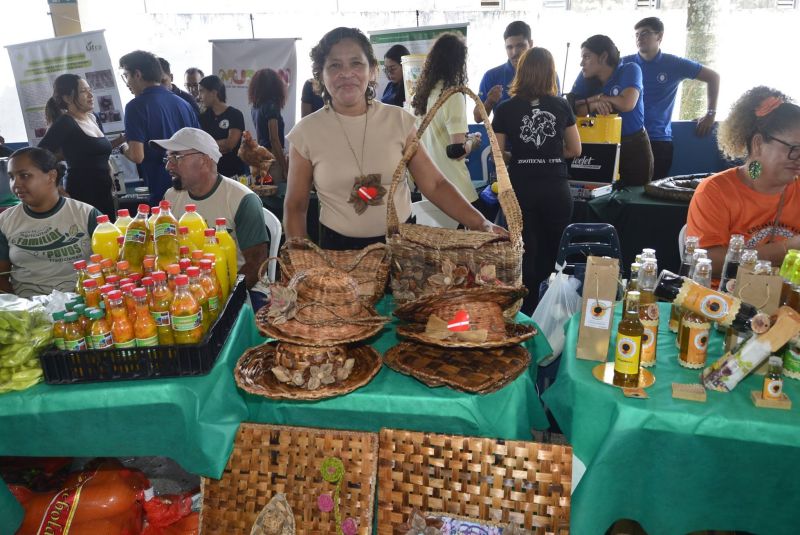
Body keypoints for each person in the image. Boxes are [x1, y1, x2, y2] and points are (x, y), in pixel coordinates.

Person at [284, 27, 504, 251]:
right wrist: (301, 261)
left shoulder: (399, 121)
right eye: (334, 65)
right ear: (321, 74)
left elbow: (435, 184)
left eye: (356, 63)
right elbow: (296, 206)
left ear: (372, 71)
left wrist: (481, 223)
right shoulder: (305, 133)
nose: (346, 73)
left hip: (402, 251)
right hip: (339, 253)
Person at [492, 48, 581, 313]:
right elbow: (576, 149)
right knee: (556, 254)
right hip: (556, 188)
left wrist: (520, 155)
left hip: (522, 188)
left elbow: (499, 154)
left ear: (521, 72)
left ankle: (524, 313)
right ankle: (554, 311)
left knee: (523, 252)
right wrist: (551, 155)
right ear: (550, 72)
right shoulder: (562, 105)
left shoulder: (505, 108)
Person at [687, 87, 800, 274]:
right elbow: (707, 262)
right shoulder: (715, 192)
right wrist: (785, 249)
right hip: (725, 300)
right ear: (758, 144)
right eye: (794, 148)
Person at [155, 128, 269, 290]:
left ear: (203, 159)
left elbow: (257, 265)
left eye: (176, 157)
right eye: (168, 158)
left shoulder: (241, 199)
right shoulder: (170, 198)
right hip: (187, 291)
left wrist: (225, 298)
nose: (168, 166)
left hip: (240, 291)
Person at [623, 17, 721, 179]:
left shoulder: (674, 64)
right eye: (637, 34)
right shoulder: (624, 64)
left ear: (659, 36)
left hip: (658, 140)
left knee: (651, 194)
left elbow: (713, 77)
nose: (640, 38)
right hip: (626, 138)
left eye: (645, 33)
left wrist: (711, 114)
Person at [0, 147, 101, 297]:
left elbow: (109, 265)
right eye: (12, 177)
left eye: (24, 175)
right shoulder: (5, 221)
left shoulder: (86, 214)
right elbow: (1, 276)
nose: (16, 184)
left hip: (84, 304)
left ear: (51, 176)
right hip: (30, 309)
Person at [569, 34, 653, 186]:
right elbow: (575, 109)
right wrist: (594, 103)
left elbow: (627, 103)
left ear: (603, 57)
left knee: (634, 198)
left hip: (633, 145)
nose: (582, 63)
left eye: (586, 57)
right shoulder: (585, 76)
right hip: (599, 144)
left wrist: (601, 99)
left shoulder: (630, 69)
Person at [118, 50, 199, 204]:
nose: (127, 82)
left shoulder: (136, 106)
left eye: (126, 76)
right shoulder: (184, 103)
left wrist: (123, 147)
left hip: (162, 189)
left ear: (137, 74)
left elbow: (137, 155)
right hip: (192, 185)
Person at [411, 33, 480, 208]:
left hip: (429, 189)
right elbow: (456, 151)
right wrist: (473, 141)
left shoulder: (421, 95)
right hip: (455, 189)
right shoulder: (453, 95)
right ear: (458, 62)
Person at [37, 74, 119, 217]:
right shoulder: (65, 123)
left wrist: (109, 171)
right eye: (83, 91)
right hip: (82, 193)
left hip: (105, 192)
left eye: (90, 90)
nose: (90, 95)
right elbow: (37, 157)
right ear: (67, 98)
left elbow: (100, 153)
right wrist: (57, 188)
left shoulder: (94, 118)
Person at [473, 21, 533, 123]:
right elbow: (477, 118)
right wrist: (489, 102)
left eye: (520, 46)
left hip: (539, 138)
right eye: (509, 47)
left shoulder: (548, 75)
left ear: (530, 44)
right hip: (503, 138)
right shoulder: (492, 76)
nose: (514, 52)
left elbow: (557, 112)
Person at [197, 75, 248, 178]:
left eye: (202, 91)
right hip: (210, 174)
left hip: (233, 174)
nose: (199, 96)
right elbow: (198, 146)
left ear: (214, 93)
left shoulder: (235, 114)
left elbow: (230, 145)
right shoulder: (202, 117)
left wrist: (207, 145)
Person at [248, 68, 288, 182]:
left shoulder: (255, 107)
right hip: (272, 158)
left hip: (260, 157)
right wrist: (285, 168)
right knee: (276, 194)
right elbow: (274, 139)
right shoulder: (271, 106)